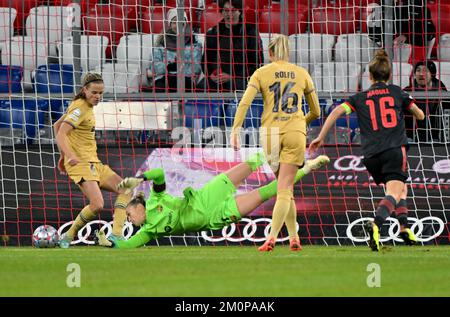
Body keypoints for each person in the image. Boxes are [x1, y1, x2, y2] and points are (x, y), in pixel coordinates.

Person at [309, 50, 425, 252]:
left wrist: (320, 136)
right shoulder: (397, 92)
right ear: (389, 76)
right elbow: (420, 115)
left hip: (371, 155)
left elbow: (336, 111)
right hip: (394, 150)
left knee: (400, 189)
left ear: (369, 77)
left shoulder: (359, 98)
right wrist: (408, 104)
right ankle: (376, 224)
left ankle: (404, 228)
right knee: (394, 191)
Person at [95, 153, 330, 249]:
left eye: (128, 214)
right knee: (270, 191)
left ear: (139, 205)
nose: (129, 219)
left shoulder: (156, 196)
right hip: (215, 217)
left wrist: (138, 179)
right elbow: (127, 245)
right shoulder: (149, 231)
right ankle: (308, 167)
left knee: (252, 163)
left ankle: (284, 152)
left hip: (207, 195)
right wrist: (111, 244)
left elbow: (158, 174)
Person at [230, 34, 321, 252]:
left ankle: (287, 237)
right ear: (287, 53)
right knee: (285, 189)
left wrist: (236, 130)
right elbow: (316, 111)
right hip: (294, 133)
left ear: (269, 53)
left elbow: (245, 102)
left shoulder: (261, 73)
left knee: (284, 187)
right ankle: (281, 237)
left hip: (270, 133)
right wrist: (301, 122)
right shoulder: (302, 73)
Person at [54, 73, 131, 248]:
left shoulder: (82, 107)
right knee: (97, 204)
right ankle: (68, 236)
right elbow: (61, 133)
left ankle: (116, 235)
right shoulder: (80, 108)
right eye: (94, 92)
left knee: (126, 189)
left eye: (100, 93)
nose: (97, 97)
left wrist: (62, 154)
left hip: (93, 162)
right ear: (84, 90)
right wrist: (69, 156)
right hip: (80, 163)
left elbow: (56, 125)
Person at [203, 0, 263, 92]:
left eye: (233, 10)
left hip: (241, 79)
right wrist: (211, 73)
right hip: (217, 79)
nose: (229, 14)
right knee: (200, 87)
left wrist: (233, 76)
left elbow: (258, 63)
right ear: (221, 12)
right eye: (226, 10)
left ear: (240, 11)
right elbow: (205, 60)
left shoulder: (251, 33)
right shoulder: (212, 33)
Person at [150, 8, 203, 92]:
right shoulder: (161, 42)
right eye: (175, 22)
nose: (178, 25)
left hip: (186, 78)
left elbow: (196, 67)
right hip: (164, 78)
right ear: (170, 24)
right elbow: (154, 67)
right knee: (161, 87)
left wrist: (178, 68)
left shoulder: (195, 42)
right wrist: (168, 67)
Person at [367, 0, 436, 64]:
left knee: (402, 47)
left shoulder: (420, 9)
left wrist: (406, 36)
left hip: (406, 45)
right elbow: (373, 34)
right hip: (385, 45)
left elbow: (430, 33)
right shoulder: (380, 8)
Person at [404, 60, 448, 142]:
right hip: (411, 137)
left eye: (425, 70)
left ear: (432, 74)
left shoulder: (444, 95)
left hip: (437, 139)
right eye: (418, 70)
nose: (421, 74)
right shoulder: (406, 92)